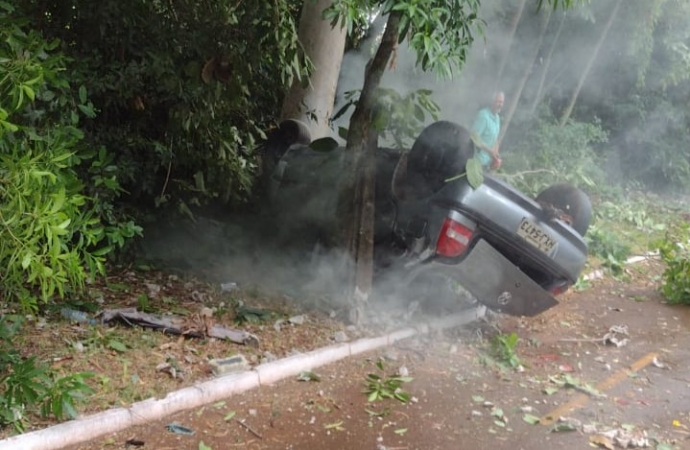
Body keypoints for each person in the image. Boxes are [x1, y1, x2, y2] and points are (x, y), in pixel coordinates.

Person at [471, 91, 504, 171]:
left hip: (486, 163)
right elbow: (473, 138)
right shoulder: (483, 116)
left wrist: (496, 154)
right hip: (476, 162)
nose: (500, 105)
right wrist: (490, 151)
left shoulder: (497, 118)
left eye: (502, 102)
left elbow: (495, 137)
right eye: (498, 101)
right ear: (492, 102)